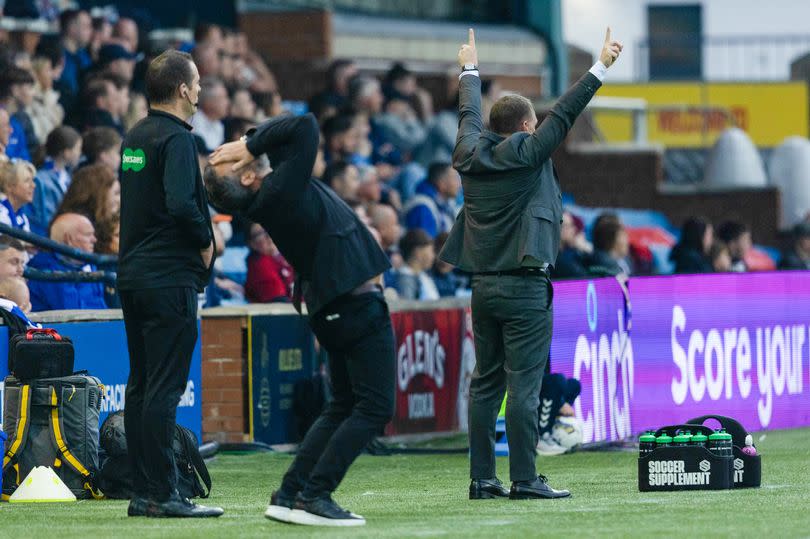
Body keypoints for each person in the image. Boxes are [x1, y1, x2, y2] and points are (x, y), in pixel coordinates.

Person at [439, 28, 621, 501]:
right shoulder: (527, 151)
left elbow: (468, 115)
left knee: (485, 385)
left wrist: (469, 70)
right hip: (523, 287)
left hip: (483, 286)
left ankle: (482, 479)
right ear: (526, 127)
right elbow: (564, 115)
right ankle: (524, 478)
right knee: (523, 385)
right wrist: (599, 67)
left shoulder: (468, 153)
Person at [205, 112, 393, 527]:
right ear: (248, 178)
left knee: (343, 404)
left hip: (335, 304)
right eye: (230, 157)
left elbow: (293, 139)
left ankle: (290, 494)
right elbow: (306, 126)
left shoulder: (273, 193)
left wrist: (253, 143)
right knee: (375, 406)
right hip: (353, 303)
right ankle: (316, 494)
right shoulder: (278, 192)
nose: (235, 149)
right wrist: (251, 145)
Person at [117, 49, 221, 519]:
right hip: (168, 278)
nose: (200, 90)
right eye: (196, 82)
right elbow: (181, 204)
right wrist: (204, 241)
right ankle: (164, 493)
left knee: (141, 385)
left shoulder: (135, 137)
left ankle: (144, 490)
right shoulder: (178, 140)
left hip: (134, 276)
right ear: (183, 89)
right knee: (162, 388)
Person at [27, 213, 107, 311]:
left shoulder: (89, 265)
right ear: (68, 239)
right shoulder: (46, 269)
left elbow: (101, 307)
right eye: (88, 234)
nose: (94, 240)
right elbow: (72, 312)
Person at [54, 163, 119, 252]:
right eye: (116, 193)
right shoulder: (75, 225)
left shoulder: (104, 222)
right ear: (99, 194)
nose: (119, 199)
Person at [31, 125, 82, 235]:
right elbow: (45, 219)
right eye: (78, 149)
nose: (79, 154)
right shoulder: (41, 180)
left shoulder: (67, 176)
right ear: (66, 152)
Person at [403, 162, 460, 238]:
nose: (459, 184)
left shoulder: (446, 204)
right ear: (441, 183)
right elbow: (423, 247)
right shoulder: (422, 207)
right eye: (455, 178)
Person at [244, 222, 293, 303]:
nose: (268, 235)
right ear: (252, 244)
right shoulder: (259, 264)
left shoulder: (283, 259)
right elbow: (279, 301)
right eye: (260, 233)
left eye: (269, 228)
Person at [394, 228, 440, 300]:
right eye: (431, 251)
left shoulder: (423, 276)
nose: (433, 256)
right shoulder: (405, 280)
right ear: (417, 252)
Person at [189, 77, 229, 151]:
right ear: (208, 103)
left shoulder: (219, 125)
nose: (227, 103)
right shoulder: (194, 123)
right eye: (222, 98)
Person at [0, 159, 36, 232]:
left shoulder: (23, 218)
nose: (33, 185)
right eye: (27, 181)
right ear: (10, 186)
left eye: (32, 180)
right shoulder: (1, 213)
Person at [552, 211, 590, 279]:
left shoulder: (570, 252)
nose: (574, 229)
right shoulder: (560, 260)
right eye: (570, 225)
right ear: (559, 229)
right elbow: (585, 279)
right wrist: (587, 251)